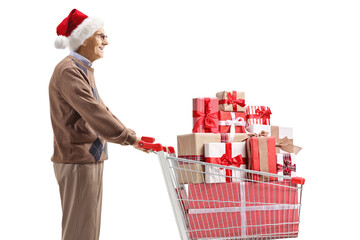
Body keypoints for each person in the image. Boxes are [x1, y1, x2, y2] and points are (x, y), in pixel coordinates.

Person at [49, 9, 148, 240]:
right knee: (79, 232)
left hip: (87, 158)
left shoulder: (82, 69)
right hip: (77, 160)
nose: (107, 41)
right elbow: (94, 113)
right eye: (101, 36)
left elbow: (101, 108)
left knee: (88, 229)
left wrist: (130, 135)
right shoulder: (69, 70)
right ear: (84, 38)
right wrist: (129, 138)